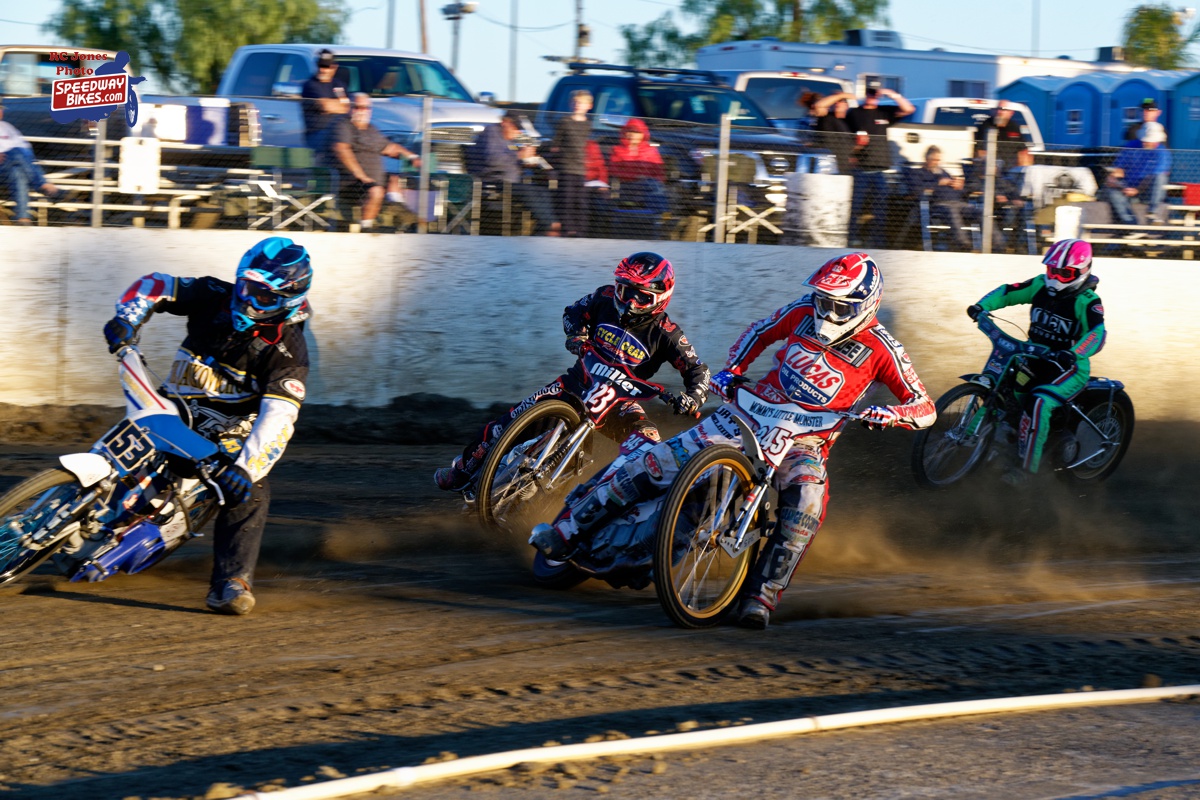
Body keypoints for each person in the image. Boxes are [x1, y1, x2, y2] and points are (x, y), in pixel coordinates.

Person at [531, 252, 937, 630]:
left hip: (805, 441)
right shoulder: (801, 310)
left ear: (867, 305)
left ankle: (762, 595)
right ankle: (566, 531)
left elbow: (925, 407)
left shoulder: (884, 348)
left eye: (839, 306)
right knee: (653, 463)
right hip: (744, 414)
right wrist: (733, 370)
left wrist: (892, 413)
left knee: (807, 505)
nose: (827, 312)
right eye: (823, 300)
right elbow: (759, 332)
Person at [101, 237, 313, 615]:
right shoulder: (215, 294)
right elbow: (157, 284)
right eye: (246, 287)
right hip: (175, 407)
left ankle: (231, 582)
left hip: (228, 437)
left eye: (263, 296)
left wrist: (247, 469)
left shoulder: (289, 352)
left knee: (251, 492)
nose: (248, 300)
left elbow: (279, 419)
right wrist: (127, 316)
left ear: (288, 300)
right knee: (126, 435)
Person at [434, 252, 710, 493]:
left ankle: (625, 509)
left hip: (620, 405)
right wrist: (576, 334)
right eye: (625, 290)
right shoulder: (603, 297)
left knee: (652, 448)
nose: (629, 301)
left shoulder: (668, 334)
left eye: (640, 295)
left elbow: (698, 370)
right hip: (573, 386)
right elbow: (573, 312)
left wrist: (692, 398)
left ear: (659, 297)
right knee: (505, 424)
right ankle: (462, 470)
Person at [967, 239, 1105, 484]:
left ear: (1083, 272)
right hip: (1034, 357)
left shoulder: (1088, 301)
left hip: (1069, 367)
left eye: (1065, 273)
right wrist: (981, 306)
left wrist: (1074, 353)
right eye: (1052, 270)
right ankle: (974, 439)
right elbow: (1008, 292)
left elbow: (1097, 334)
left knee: (1039, 403)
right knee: (1002, 387)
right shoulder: (1039, 285)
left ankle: (1026, 469)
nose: (1055, 278)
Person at [332, 93, 420, 231]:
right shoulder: (344, 126)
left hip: (372, 180)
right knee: (376, 191)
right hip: (352, 181)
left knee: (395, 180)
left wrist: (412, 157)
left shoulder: (371, 129)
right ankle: (366, 228)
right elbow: (342, 150)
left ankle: (399, 213)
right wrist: (361, 176)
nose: (362, 111)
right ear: (350, 108)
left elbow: (390, 148)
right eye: (357, 107)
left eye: (366, 108)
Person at [845, 84, 914, 247]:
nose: (872, 97)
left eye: (875, 95)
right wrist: (855, 147)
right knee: (856, 206)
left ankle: (878, 240)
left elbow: (909, 109)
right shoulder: (855, 113)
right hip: (861, 168)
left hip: (880, 169)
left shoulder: (884, 111)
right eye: (870, 94)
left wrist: (891, 94)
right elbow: (845, 136)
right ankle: (851, 238)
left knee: (880, 209)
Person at [470, 110, 558, 235]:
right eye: (515, 127)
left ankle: (545, 227)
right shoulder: (491, 133)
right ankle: (550, 225)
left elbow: (509, 161)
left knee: (542, 191)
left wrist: (525, 163)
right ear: (504, 122)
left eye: (519, 129)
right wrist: (518, 155)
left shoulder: (507, 139)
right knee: (529, 192)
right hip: (493, 182)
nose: (517, 132)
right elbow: (492, 159)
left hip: (510, 182)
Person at [1104, 120, 1171, 235]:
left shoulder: (1162, 154)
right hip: (1128, 189)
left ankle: (1152, 212)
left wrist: (1137, 189)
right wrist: (1118, 183)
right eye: (1145, 140)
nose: (1146, 143)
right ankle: (1131, 225)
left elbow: (1154, 177)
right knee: (1112, 192)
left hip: (1148, 193)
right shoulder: (1131, 147)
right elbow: (1118, 170)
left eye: (1149, 140)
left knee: (1160, 177)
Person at [0, 99, 60, 225]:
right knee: (17, 153)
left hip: (10, 166)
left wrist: (15, 155)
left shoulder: (7, 127)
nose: (1, 112)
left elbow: (25, 148)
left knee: (18, 171)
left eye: (1, 109)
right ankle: (43, 185)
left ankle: (23, 217)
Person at [906, 145, 971, 251]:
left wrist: (959, 185)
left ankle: (998, 246)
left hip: (959, 202)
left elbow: (961, 189)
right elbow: (916, 191)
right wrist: (938, 183)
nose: (937, 162)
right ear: (927, 159)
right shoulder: (917, 173)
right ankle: (964, 245)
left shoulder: (943, 172)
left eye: (938, 160)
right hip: (938, 205)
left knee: (980, 212)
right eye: (934, 160)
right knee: (952, 210)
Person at [547, 90, 593, 237]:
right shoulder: (564, 122)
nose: (578, 105)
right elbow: (555, 145)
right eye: (575, 102)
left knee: (581, 201)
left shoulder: (588, 125)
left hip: (581, 169)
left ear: (589, 106)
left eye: (581, 102)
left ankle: (581, 230)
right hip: (566, 168)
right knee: (566, 199)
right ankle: (568, 229)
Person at [607, 118, 669, 222]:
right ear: (624, 133)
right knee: (655, 187)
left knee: (656, 187)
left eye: (636, 132)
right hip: (626, 185)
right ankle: (661, 214)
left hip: (648, 185)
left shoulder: (651, 151)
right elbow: (614, 171)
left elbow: (659, 172)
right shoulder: (617, 150)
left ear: (643, 134)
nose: (632, 135)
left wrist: (653, 180)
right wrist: (635, 176)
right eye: (629, 131)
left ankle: (655, 217)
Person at [301, 49, 349, 162]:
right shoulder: (310, 85)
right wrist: (337, 105)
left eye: (326, 67)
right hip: (317, 134)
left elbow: (346, 107)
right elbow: (325, 106)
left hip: (338, 131)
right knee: (338, 140)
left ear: (334, 67)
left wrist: (334, 106)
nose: (323, 70)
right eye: (320, 66)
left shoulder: (338, 85)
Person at [810, 91, 855, 174]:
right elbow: (819, 106)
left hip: (844, 166)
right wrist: (841, 95)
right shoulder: (826, 117)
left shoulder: (849, 121)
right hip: (826, 164)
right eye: (835, 101)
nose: (837, 103)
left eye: (841, 101)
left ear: (847, 105)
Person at [973, 100, 1028, 167]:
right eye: (997, 109)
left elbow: (1022, 149)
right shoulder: (986, 125)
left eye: (1003, 110)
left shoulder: (1014, 127)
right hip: (991, 166)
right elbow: (980, 151)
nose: (999, 112)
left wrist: (1021, 169)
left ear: (1011, 113)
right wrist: (991, 166)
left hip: (1011, 166)